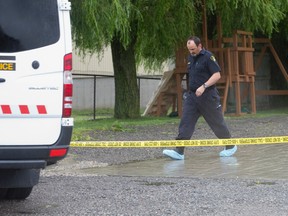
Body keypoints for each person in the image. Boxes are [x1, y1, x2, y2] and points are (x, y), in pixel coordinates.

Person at [163, 36, 237, 160]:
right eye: (189, 49)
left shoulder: (208, 57)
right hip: (192, 97)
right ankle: (179, 151)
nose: (191, 52)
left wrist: (204, 86)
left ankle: (230, 146)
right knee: (185, 122)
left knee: (217, 122)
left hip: (208, 96)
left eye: (193, 49)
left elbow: (217, 74)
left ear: (199, 46)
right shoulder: (190, 58)